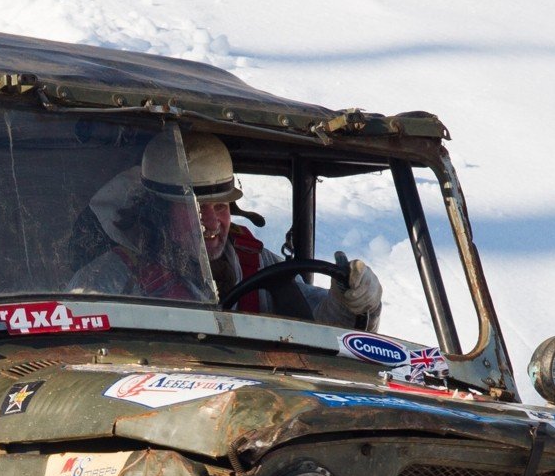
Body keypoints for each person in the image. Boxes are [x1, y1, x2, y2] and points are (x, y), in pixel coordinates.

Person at [69, 132, 383, 329]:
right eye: (196, 209)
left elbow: (321, 328)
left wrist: (352, 302)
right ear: (159, 213)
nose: (212, 222)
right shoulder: (109, 279)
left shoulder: (258, 263)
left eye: (220, 207)